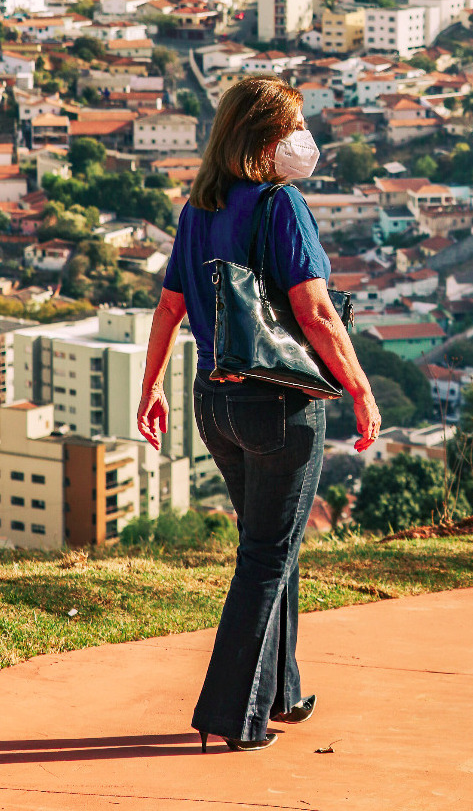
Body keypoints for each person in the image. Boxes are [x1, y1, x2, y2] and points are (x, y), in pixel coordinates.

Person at [136, 76, 381, 753]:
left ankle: (280, 690)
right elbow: (316, 311)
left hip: (214, 401)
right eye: (291, 129)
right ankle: (231, 713)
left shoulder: (200, 208)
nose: (301, 142)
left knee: (274, 540)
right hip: (279, 402)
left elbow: (169, 307)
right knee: (268, 553)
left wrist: (150, 386)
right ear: (265, 140)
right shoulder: (282, 205)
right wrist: (359, 387)